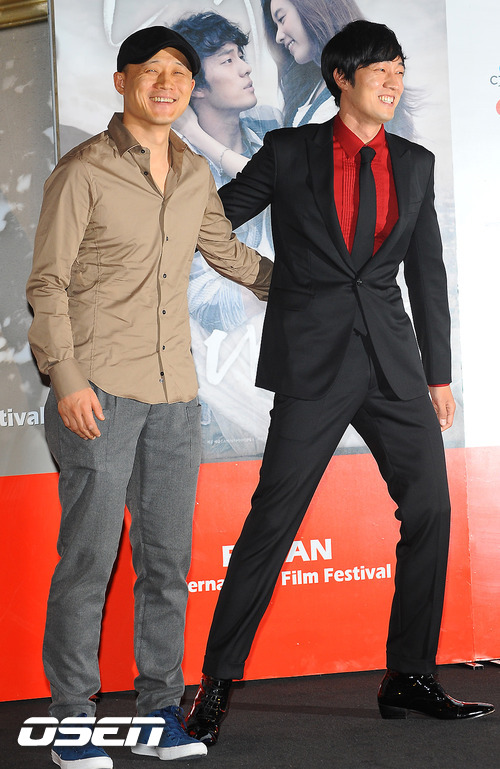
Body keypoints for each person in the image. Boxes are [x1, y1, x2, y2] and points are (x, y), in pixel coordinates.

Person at [186, 20, 494, 746]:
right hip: (311, 362)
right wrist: (265, 278)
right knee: (272, 521)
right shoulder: (289, 151)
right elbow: (213, 220)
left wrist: (438, 374)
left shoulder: (414, 161)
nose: (393, 81)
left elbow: (428, 275)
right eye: (379, 69)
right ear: (341, 78)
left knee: (430, 509)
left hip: (393, 364)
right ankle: (216, 684)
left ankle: (408, 675)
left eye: (398, 69)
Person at [26, 26, 272, 769]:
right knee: (88, 560)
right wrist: (66, 378)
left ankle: (159, 713)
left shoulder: (193, 171)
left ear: (189, 88)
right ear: (122, 81)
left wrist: (311, 285)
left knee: (166, 562)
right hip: (97, 390)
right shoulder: (84, 170)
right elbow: (48, 283)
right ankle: (72, 720)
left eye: (179, 74)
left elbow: (226, 253)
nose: (166, 84)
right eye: (151, 71)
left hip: (175, 395)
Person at [170, 11, 281, 460]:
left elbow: (297, 195)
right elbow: (200, 298)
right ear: (196, 86)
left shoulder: (272, 132)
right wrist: (286, 291)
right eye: (228, 61)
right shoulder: (176, 169)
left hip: (297, 350)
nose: (245, 68)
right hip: (225, 373)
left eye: (242, 56)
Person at [261, 0, 414, 137]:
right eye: (276, 26)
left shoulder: (364, 89)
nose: (278, 37)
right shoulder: (313, 89)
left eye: (281, 19)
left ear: (312, 5)